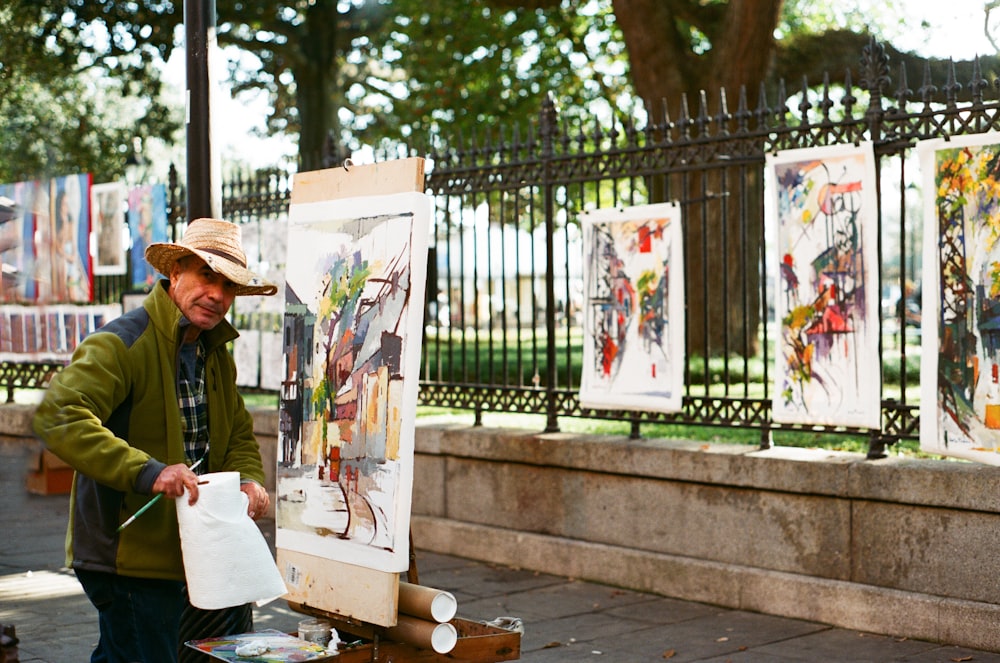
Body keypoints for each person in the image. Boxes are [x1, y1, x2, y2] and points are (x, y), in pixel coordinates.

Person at [33, 218, 278, 663]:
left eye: (230, 287)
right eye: (208, 277)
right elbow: (58, 416)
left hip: (196, 550)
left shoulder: (213, 352)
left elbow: (238, 432)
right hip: (126, 554)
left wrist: (249, 479)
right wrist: (150, 471)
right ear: (176, 271)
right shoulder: (122, 342)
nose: (219, 296)